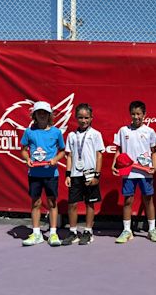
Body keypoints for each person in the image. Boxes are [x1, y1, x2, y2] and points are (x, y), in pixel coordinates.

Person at [111, 101, 156, 243]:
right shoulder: (123, 131)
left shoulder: (150, 132)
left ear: (144, 115)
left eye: (139, 114)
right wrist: (114, 164)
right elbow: (119, 150)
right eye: (133, 114)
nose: (136, 116)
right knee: (128, 200)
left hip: (145, 172)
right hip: (128, 172)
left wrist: (155, 166)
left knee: (148, 200)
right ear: (130, 114)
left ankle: (152, 229)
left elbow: (154, 152)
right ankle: (127, 230)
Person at [20, 101, 66, 247]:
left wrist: (55, 160)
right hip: (34, 173)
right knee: (36, 202)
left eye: (44, 112)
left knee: (52, 202)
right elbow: (23, 150)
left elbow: (63, 151)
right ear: (34, 115)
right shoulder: (29, 132)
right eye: (39, 112)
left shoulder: (57, 132)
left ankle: (53, 233)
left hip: (51, 174)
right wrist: (27, 159)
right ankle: (36, 233)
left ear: (49, 115)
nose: (42, 115)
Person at [62, 103, 105, 246]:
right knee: (72, 204)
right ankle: (73, 232)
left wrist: (97, 176)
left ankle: (88, 231)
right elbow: (69, 156)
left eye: (86, 117)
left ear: (91, 118)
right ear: (75, 118)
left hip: (90, 174)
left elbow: (99, 156)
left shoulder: (96, 134)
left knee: (90, 203)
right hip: (75, 174)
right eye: (80, 117)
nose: (83, 120)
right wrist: (68, 174)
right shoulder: (71, 135)